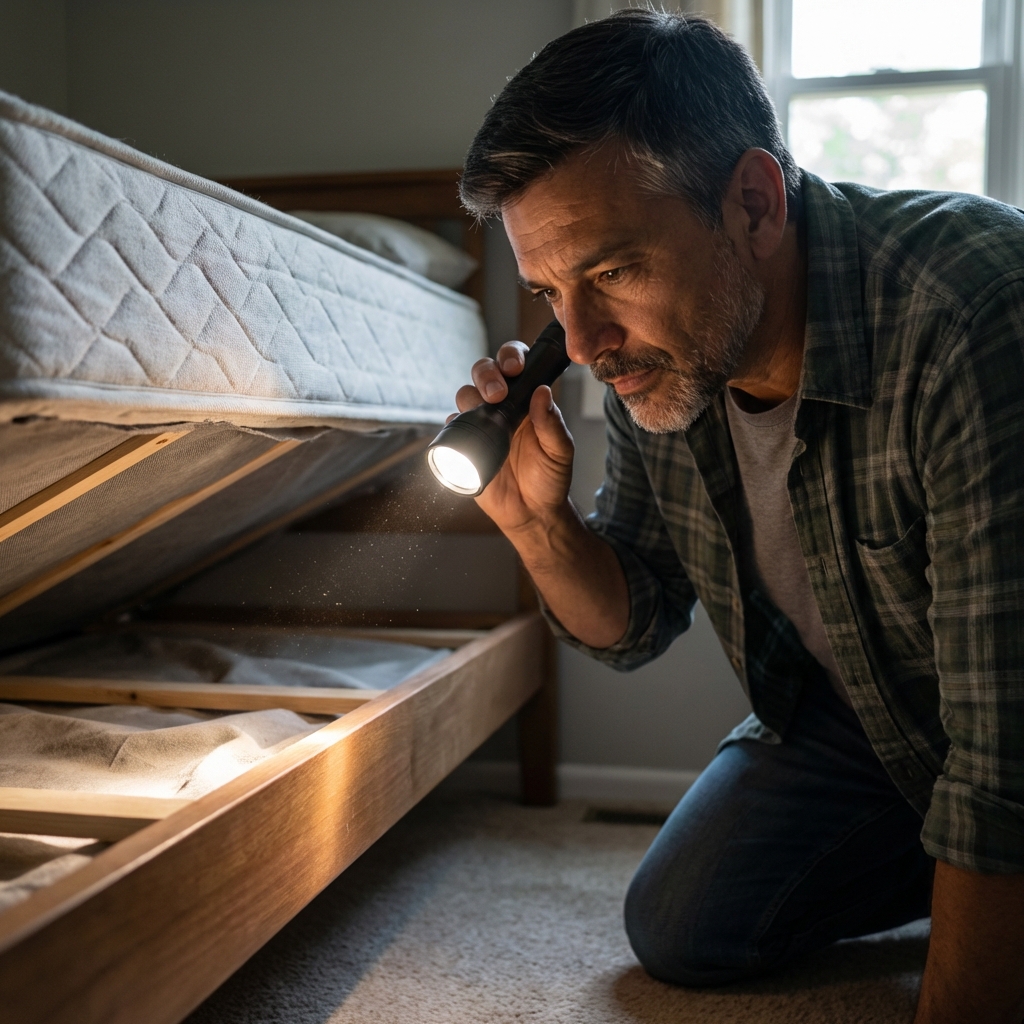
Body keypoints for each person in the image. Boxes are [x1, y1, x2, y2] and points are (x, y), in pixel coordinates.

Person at [451, 9, 1024, 1024]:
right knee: (682, 924)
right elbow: (634, 621)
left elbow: (1007, 753)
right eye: (549, 293)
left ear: (754, 203)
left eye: (612, 271)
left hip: (998, 719)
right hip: (861, 718)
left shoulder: (971, 313)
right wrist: (537, 524)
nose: (581, 344)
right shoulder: (661, 362)